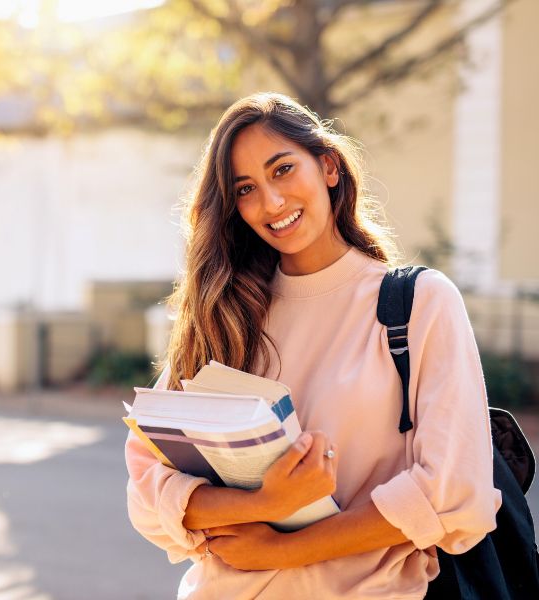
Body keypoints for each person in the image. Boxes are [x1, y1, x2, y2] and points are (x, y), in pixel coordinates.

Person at [124, 92, 502, 599]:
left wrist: (281, 550)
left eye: (282, 170)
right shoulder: (226, 314)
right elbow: (148, 492)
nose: (271, 203)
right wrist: (266, 503)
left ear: (327, 166)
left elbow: (453, 495)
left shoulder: (417, 303)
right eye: (245, 189)